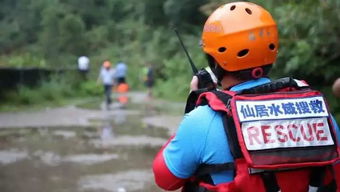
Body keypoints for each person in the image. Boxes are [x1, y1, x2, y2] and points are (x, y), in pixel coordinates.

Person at [153, 2, 340, 192]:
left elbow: (165, 179)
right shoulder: (319, 112)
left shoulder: (202, 121)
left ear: (214, 62)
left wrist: (194, 109)